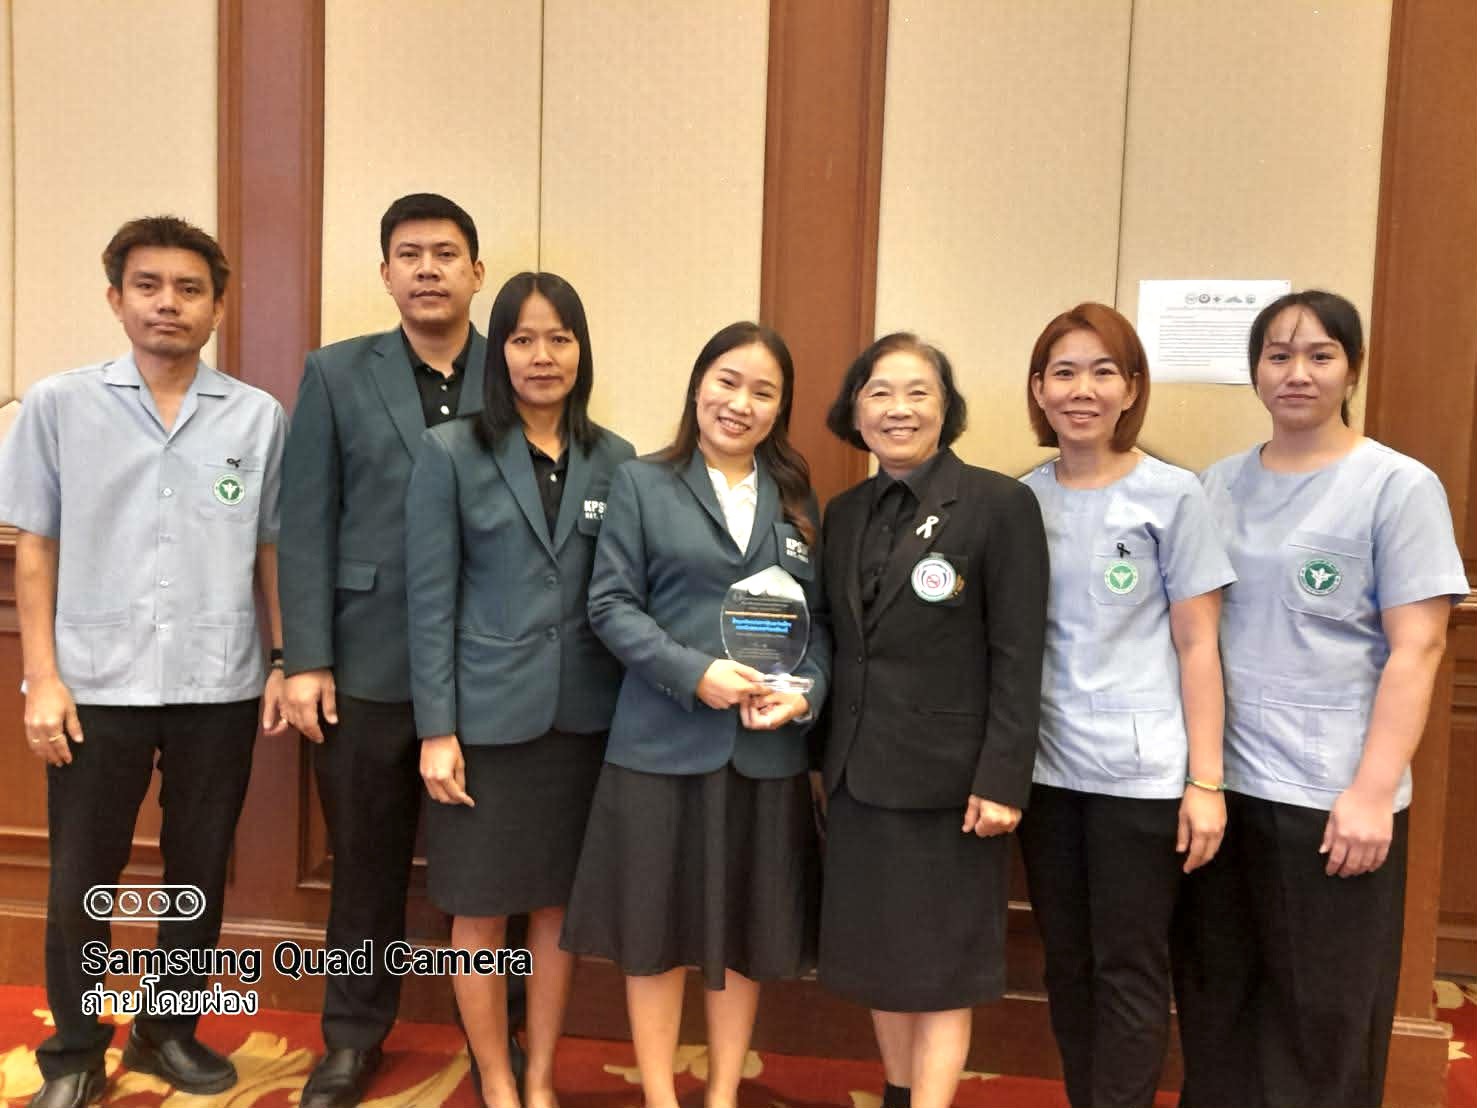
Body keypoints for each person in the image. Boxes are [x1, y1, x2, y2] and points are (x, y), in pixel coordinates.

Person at [0, 216, 286, 1108]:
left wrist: (283, 658)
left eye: (190, 289)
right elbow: (35, 548)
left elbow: (270, 549)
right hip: (94, 683)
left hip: (219, 681)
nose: (169, 303)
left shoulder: (256, 416)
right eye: (149, 285)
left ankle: (169, 1032)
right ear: (116, 297)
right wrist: (42, 678)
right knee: (82, 878)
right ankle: (75, 1053)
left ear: (217, 307)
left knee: (198, 869)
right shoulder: (59, 405)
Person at [1173, 290, 1469, 1108]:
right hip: (1223, 792)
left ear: (1351, 368)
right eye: (1277, 356)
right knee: (1218, 1000)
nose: (1295, 373)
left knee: (1323, 1018)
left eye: (1318, 355)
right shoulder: (1215, 486)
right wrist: (1199, 778)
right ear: (1254, 372)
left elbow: (1418, 647)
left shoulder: (1397, 486)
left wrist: (1371, 792)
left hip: (1332, 800)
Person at [278, 194, 513, 1108]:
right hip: (366, 664)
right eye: (408, 254)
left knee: (493, 874)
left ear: (476, 272)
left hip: (490, 667)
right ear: (384, 274)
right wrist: (304, 657)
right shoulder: (336, 373)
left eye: (445, 253)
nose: (426, 269)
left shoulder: (521, 369)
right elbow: (306, 521)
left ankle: (497, 1037)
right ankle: (350, 1039)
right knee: (365, 868)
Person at [561, 322, 830, 1108]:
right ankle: (658, 1095)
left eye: (762, 392)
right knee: (654, 936)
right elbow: (610, 605)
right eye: (726, 381)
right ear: (697, 385)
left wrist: (806, 692)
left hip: (763, 754)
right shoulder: (642, 482)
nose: (740, 403)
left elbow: (820, 625)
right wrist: (695, 673)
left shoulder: (794, 497)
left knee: (744, 934)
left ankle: (720, 1094)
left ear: (779, 409)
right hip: (661, 746)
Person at [405, 272, 634, 1108]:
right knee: (478, 911)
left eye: (559, 338)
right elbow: (430, 601)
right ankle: (496, 1079)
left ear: (581, 350)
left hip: (583, 721)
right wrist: (437, 730)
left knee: (554, 912)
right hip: (485, 723)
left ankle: (539, 1076)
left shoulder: (616, 459)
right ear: (498, 352)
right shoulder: (450, 452)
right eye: (523, 339)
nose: (543, 356)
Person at [816, 333, 1048, 1108]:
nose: (898, 409)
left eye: (918, 392)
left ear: (945, 408)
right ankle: (896, 1092)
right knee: (881, 959)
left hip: (951, 786)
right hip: (857, 774)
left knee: (943, 967)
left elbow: (1017, 653)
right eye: (879, 392)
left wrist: (1003, 778)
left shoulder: (998, 505)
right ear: (855, 410)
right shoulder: (844, 512)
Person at [1015, 303, 1234, 1107]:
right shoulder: (1019, 500)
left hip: (1139, 779)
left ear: (1131, 388)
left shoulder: (1173, 495)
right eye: (1064, 372)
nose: (1082, 390)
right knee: (1067, 965)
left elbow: (1198, 644)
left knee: (1128, 968)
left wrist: (1205, 781)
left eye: (1102, 372)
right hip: (1044, 772)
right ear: (1038, 389)